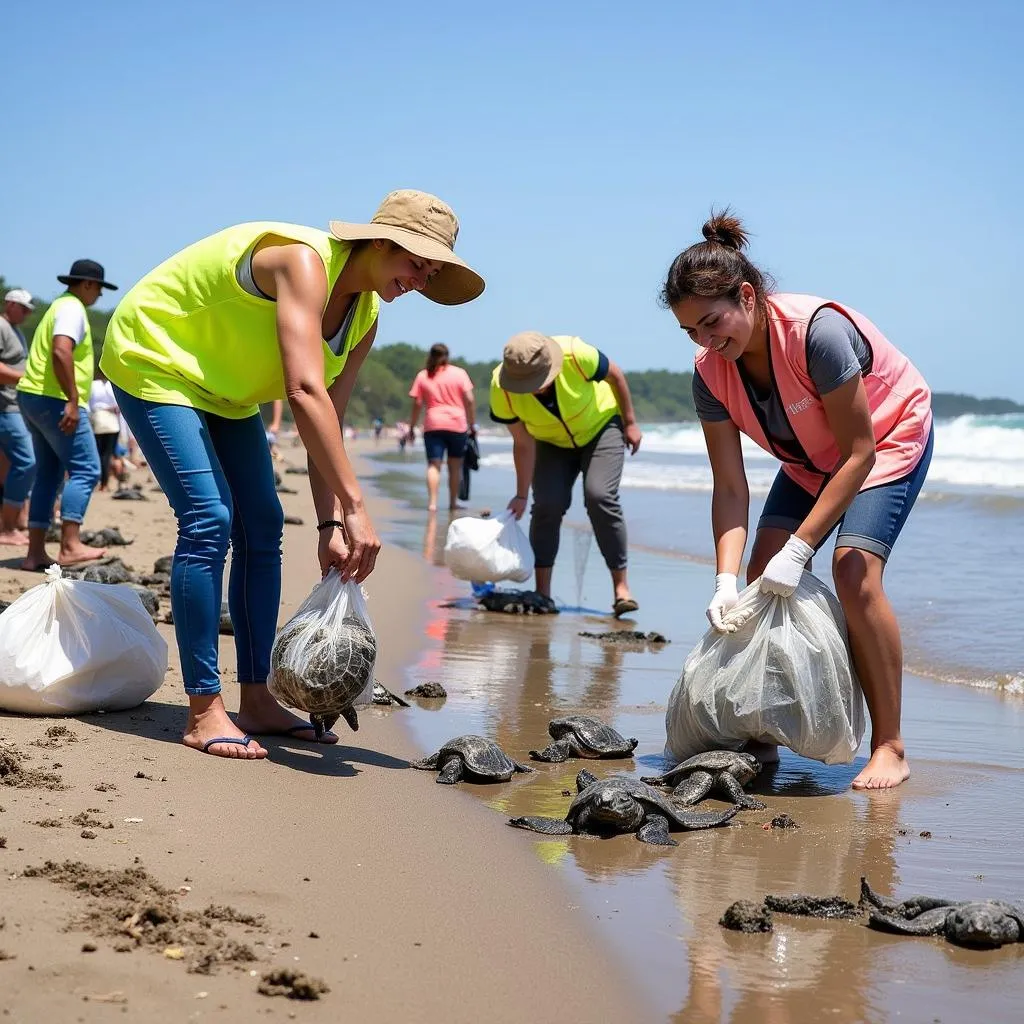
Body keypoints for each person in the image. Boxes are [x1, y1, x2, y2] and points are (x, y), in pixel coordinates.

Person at [100, 190, 484, 760]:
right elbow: (302, 391)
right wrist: (357, 509)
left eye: (431, 272)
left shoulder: (366, 317)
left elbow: (328, 414)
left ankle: (256, 699)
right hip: (156, 359)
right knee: (209, 518)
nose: (421, 279)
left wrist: (330, 522)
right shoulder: (303, 260)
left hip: (227, 393)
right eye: (415, 262)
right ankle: (204, 709)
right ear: (379, 241)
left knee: (262, 523)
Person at [661, 211, 933, 791]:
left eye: (713, 323)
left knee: (853, 568)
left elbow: (858, 453)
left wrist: (801, 547)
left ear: (748, 295)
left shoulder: (818, 333)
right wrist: (724, 581)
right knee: (759, 579)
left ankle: (890, 746)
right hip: (810, 461)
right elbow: (730, 487)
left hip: (885, 439)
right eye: (692, 333)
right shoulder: (709, 373)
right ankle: (758, 735)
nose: (708, 342)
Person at [490, 332, 643, 617]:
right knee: (547, 504)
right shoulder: (501, 387)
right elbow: (522, 443)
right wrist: (521, 494)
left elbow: (616, 375)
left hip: (600, 427)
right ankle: (543, 593)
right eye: (526, 385)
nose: (534, 390)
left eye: (538, 382)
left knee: (599, 496)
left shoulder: (575, 354)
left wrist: (631, 422)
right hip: (549, 442)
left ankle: (621, 589)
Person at [16, 260, 118, 569]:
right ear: (87, 284)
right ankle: (70, 545)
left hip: (32, 396)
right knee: (87, 469)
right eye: (99, 289)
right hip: (55, 399)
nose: (99, 296)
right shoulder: (73, 308)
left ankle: (34, 553)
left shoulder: (59, 305)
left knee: (48, 474)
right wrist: (73, 400)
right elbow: (62, 350)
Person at [407, 343, 476, 512]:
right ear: (448, 355)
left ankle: (432, 503)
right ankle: (453, 503)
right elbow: (470, 399)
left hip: (433, 424)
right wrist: (472, 424)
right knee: (455, 466)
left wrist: (412, 427)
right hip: (457, 425)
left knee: (433, 465)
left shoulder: (423, 375)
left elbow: (417, 403)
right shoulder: (459, 374)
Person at [0, 289, 36, 544]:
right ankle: (7, 527)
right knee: (27, 462)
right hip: (6, 406)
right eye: (23, 308)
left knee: (9, 464)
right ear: (10, 304)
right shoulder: (1, 325)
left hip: (15, 405)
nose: (26, 314)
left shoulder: (15, 329)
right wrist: (30, 380)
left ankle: (14, 520)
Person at [89, 368, 123, 491]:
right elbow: (117, 404)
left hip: (98, 418)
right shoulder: (111, 384)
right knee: (108, 453)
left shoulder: (93, 384)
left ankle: (101, 482)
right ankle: (105, 483)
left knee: (99, 452)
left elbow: (90, 404)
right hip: (112, 420)